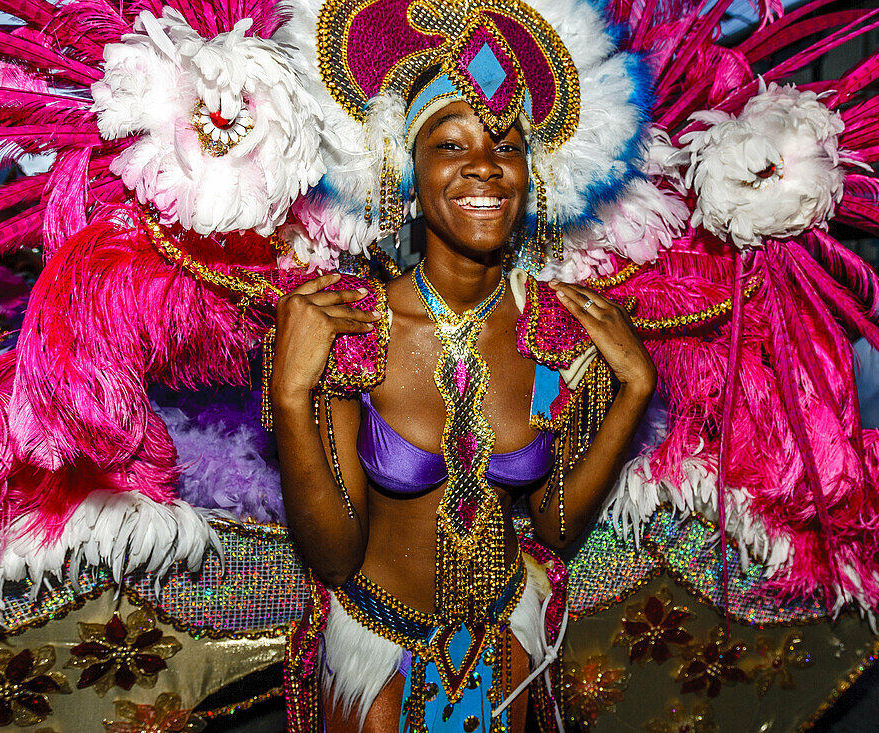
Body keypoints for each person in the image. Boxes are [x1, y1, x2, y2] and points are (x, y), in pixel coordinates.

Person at [271, 97, 657, 731]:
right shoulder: (351, 328)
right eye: (451, 147)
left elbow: (555, 526)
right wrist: (291, 394)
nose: (485, 167)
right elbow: (334, 558)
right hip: (378, 654)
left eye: (506, 147)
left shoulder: (553, 331)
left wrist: (635, 387)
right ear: (408, 174)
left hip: (507, 648)